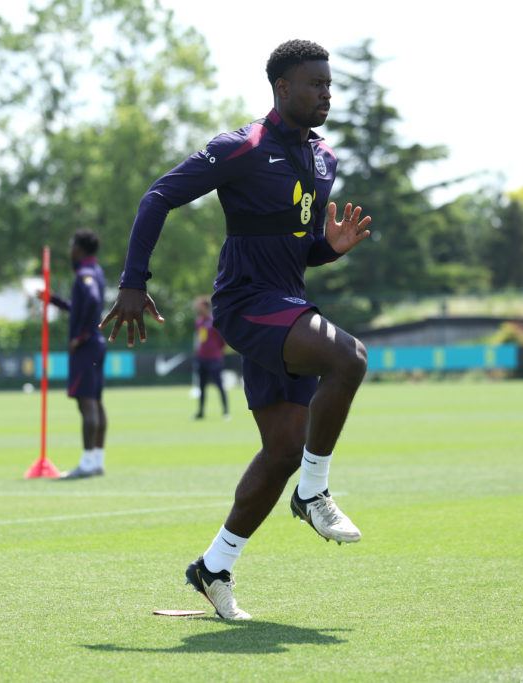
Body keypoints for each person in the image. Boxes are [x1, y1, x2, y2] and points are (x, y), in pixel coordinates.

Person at [101, 39, 372, 620]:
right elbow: (156, 198)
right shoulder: (242, 146)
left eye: (330, 83)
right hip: (247, 305)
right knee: (350, 358)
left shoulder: (324, 159)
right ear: (282, 88)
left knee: (280, 452)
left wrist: (329, 248)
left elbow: (298, 251)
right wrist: (131, 281)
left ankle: (214, 567)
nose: (327, 92)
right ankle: (314, 494)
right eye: (315, 83)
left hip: (288, 304)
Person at [45, 229, 109, 479]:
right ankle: (97, 462)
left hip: (87, 345)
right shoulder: (97, 271)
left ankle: (86, 464)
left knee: (87, 403)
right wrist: (54, 301)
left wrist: (79, 336)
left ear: (79, 249)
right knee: (95, 401)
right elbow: (80, 306)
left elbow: (92, 301)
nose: (70, 251)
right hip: (96, 343)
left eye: (72, 246)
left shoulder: (85, 274)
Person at [192, 295, 230, 420]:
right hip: (201, 359)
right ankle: (201, 412)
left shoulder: (214, 321)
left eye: (199, 305)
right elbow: (200, 339)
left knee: (219, 385)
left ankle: (226, 412)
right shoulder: (198, 322)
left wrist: (217, 352)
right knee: (202, 387)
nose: (197, 307)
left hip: (214, 359)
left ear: (206, 306)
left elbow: (222, 340)